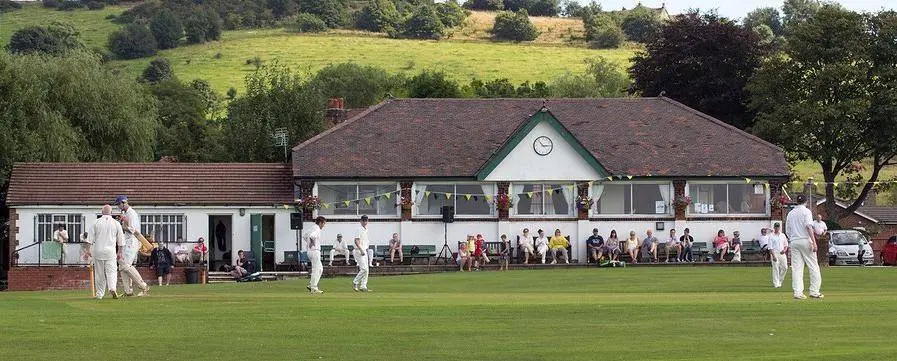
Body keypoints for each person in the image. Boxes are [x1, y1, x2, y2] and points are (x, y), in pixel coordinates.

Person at [786, 194, 823, 300]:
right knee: (813, 266)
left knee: (797, 268)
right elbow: (808, 227)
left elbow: (788, 230)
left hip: (794, 241)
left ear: (797, 202)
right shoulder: (806, 212)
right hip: (805, 240)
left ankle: (798, 293)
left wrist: (793, 238)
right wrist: (814, 242)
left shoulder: (791, 213)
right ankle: (814, 291)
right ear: (806, 202)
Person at [86, 205, 124, 299]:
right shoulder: (116, 223)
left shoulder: (96, 222)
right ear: (111, 213)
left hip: (98, 251)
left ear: (102, 212)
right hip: (110, 252)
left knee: (99, 274)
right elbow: (121, 240)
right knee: (112, 272)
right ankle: (112, 288)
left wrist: (88, 251)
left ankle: (100, 294)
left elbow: (89, 240)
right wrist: (119, 252)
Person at [114, 195, 150, 297]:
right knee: (122, 265)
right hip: (127, 241)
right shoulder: (126, 214)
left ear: (124, 202)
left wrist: (120, 226)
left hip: (132, 241)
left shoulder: (131, 213)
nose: (118, 206)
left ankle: (143, 286)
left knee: (125, 265)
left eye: (118, 204)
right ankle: (128, 291)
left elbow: (133, 230)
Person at [307, 216, 327, 294]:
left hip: (310, 251)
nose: (323, 226)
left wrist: (309, 244)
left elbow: (305, 236)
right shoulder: (317, 228)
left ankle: (311, 285)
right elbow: (312, 236)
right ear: (320, 223)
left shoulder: (311, 228)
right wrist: (312, 244)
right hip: (315, 251)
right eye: (323, 224)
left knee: (320, 269)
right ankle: (314, 288)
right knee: (316, 269)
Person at [352, 215, 371, 292]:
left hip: (364, 250)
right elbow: (356, 241)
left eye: (366, 220)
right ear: (361, 221)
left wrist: (365, 250)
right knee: (364, 269)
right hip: (359, 251)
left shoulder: (366, 229)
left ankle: (363, 286)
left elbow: (365, 242)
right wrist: (361, 250)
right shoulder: (359, 229)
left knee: (367, 269)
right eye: (363, 220)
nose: (365, 222)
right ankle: (355, 282)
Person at [768, 223, 789, 288]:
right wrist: (773, 256)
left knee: (785, 267)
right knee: (776, 268)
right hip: (775, 253)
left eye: (778, 227)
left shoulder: (782, 235)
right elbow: (770, 247)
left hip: (782, 253)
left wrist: (784, 250)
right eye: (776, 227)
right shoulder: (771, 236)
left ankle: (780, 281)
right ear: (774, 228)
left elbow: (786, 245)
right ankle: (776, 283)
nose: (777, 228)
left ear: (779, 227)